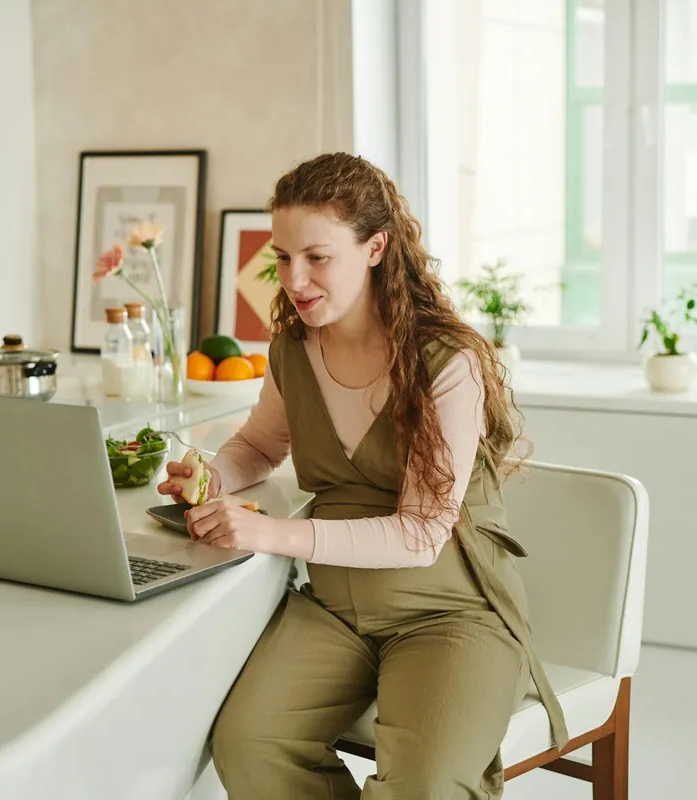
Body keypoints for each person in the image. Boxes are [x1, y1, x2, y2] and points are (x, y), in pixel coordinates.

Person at [157, 152, 567, 799]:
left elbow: (422, 535)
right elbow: (260, 445)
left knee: (425, 785)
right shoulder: (293, 346)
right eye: (283, 257)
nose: (294, 278)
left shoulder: (445, 361)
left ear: (375, 248)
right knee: (249, 742)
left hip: (448, 614)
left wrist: (269, 536)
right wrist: (208, 476)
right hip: (336, 612)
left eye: (317, 257)